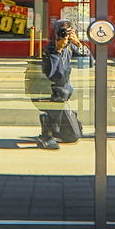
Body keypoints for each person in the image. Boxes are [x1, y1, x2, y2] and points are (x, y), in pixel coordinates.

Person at [33, 20, 85, 150]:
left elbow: (90, 62)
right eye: (61, 32)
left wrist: (78, 44)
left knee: (74, 135)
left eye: (67, 32)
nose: (64, 36)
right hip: (47, 92)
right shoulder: (48, 50)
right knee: (61, 92)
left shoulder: (70, 47)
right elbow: (54, 76)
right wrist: (57, 51)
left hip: (61, 94)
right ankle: (47, 133)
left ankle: (53, 122)